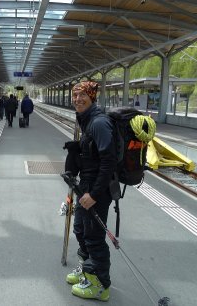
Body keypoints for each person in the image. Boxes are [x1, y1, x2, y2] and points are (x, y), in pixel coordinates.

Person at [66, 81, 117, 301]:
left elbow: (109, 162)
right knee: (80, 229)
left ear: (92, 97)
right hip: (86, 187)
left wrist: (94, 195)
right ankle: (88, 270)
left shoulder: (98, 123)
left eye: (82, 95)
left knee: (95, 237)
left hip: (97, 192)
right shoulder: (86, 121)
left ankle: (101, 286)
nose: (77, 99)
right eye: (75, 95)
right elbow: (93, 156)